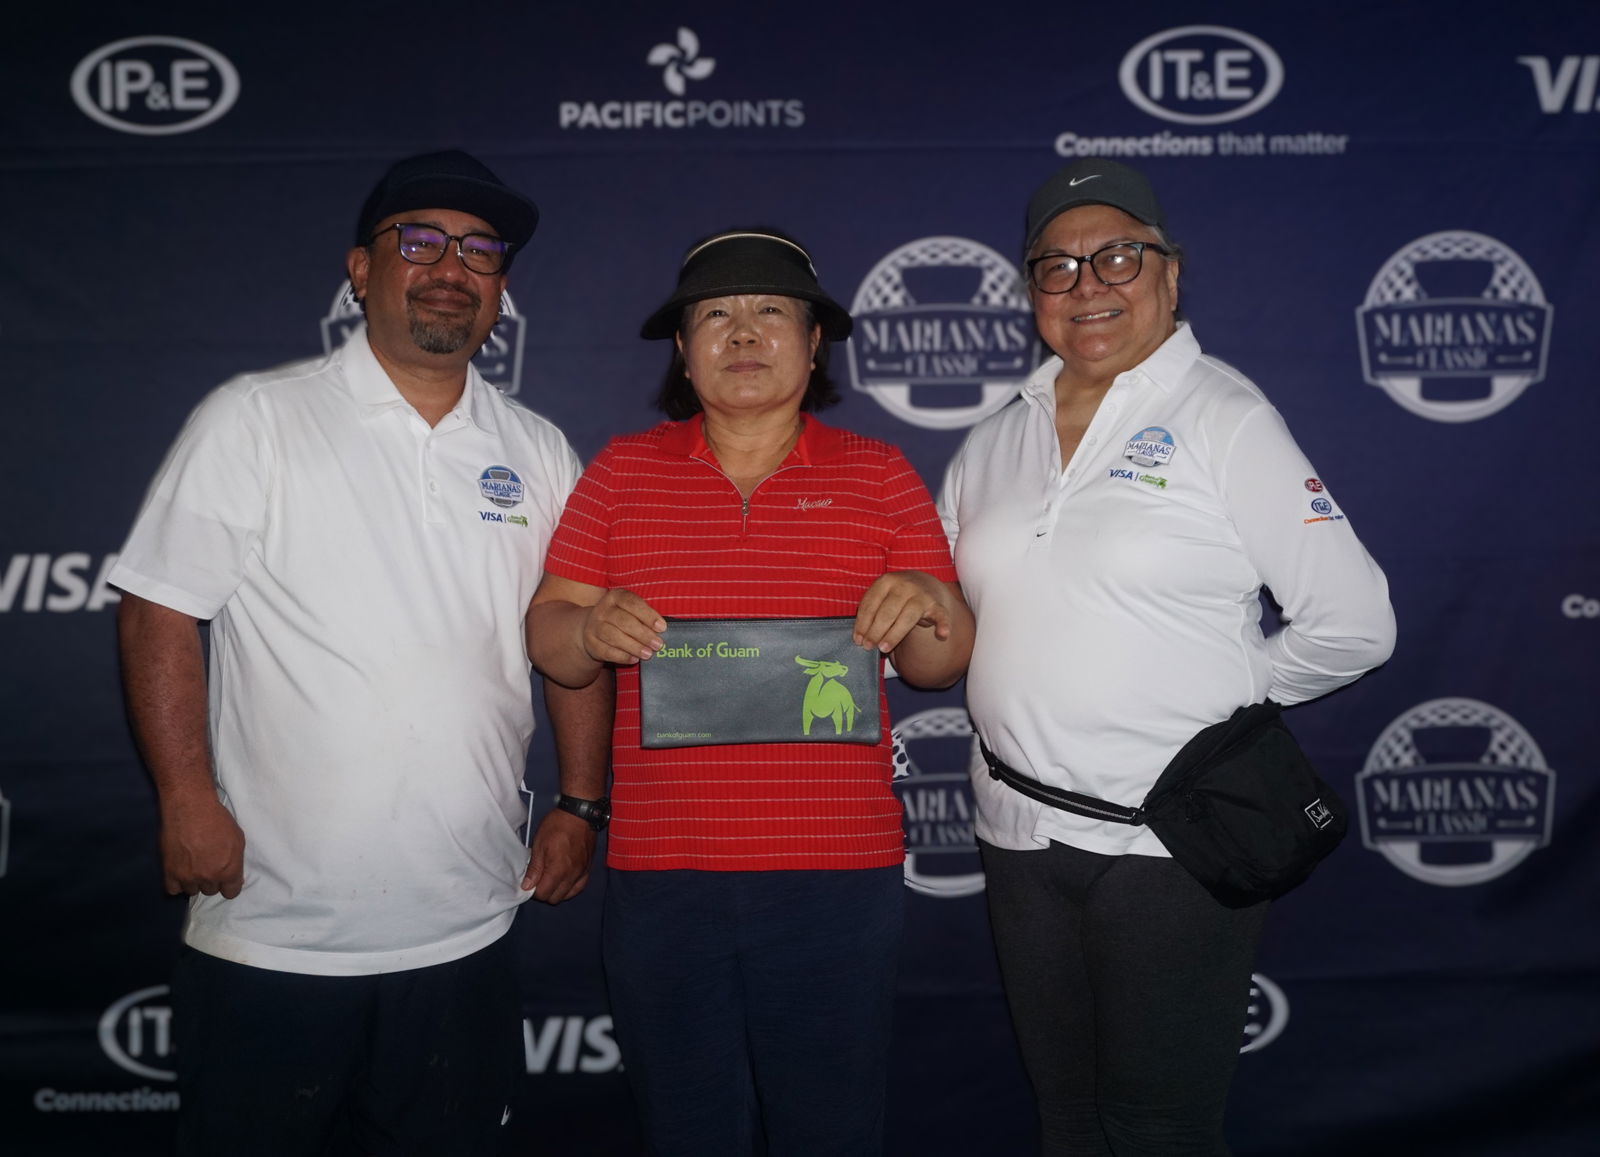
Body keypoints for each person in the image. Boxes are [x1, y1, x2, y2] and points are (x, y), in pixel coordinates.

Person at [110, 150, 609, 1156]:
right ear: (358, 267)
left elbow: (573, 641)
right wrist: (186, 797)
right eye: (418, 239)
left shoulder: (540, 448)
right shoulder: (256, 418)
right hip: (272, 929)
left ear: (500, 286)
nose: (449, 267)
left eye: (480, 250)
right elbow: (159, 609)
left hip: (467, 923)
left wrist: (580, 799)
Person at [937, 159, 1396, 1155]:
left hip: (1167, 844)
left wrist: (1225, 712)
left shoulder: (1221, 416)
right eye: (1055, 266)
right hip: (1015, 832)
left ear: (1169, 275)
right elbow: (950, 619)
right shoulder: (991, 439)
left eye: (1116, 255)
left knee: (1159, 1128)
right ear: (1029, 292)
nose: (1087, 283)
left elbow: (1355, 622)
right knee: (1064, 1115)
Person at [528, 229, 973, 1155]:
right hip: (663, 877)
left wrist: (930, 602)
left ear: (815, 346)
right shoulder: (618, 474)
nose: (743, 332)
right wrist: (585, 629)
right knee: (686, 1128)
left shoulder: (879, 476)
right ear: (683, 354)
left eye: (772, 311)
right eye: (716, 315)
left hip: (836, 876)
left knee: (832, 1130)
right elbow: (553, 641)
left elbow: (944, 662)